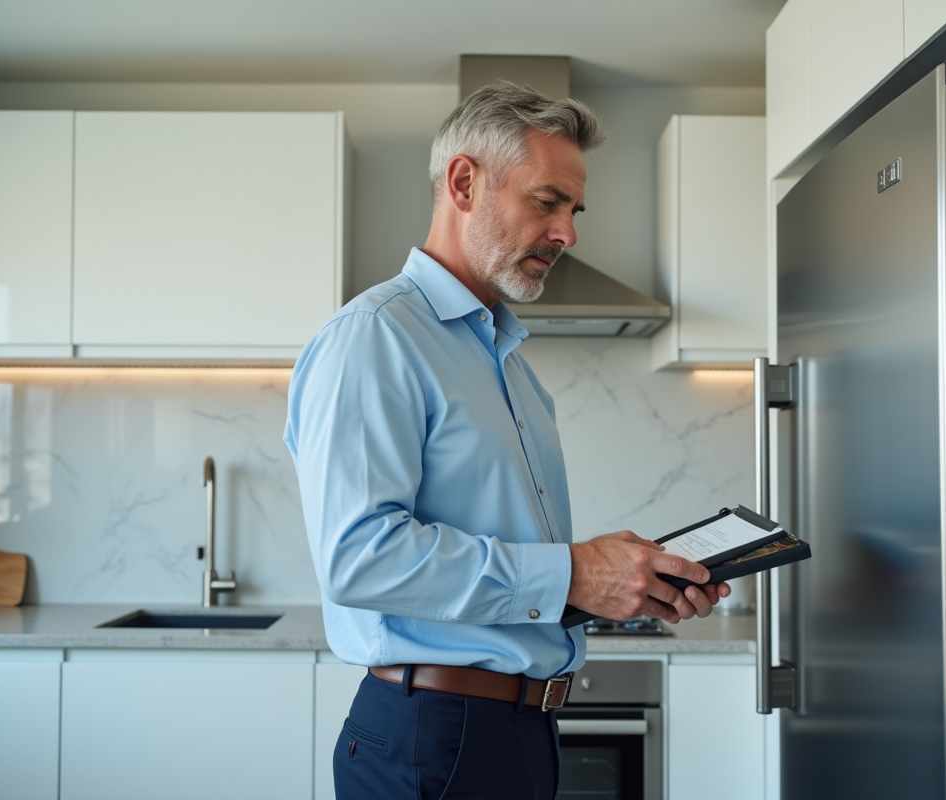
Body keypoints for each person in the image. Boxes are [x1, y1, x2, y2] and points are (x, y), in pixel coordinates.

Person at [284, 81, 730, 800]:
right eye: (546, 202)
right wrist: (574, 574)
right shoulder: (375, 338)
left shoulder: (509, 367)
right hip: (435, 734)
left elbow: (513, 567)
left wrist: (622, 583)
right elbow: (359, 559)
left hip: (512, 736)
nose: (568, 234)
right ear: (464, 182)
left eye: (573, 210)